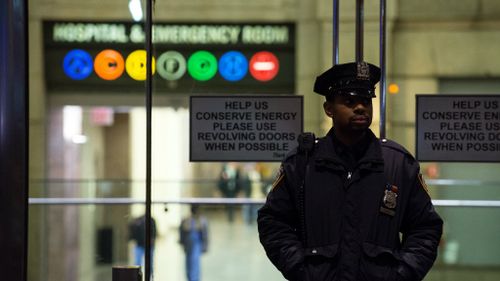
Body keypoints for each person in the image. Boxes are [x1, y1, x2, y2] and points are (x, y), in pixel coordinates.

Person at [257, 61, 443, 281]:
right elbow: (273, 223)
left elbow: (425, 228)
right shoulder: (302, 163)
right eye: (349, 101)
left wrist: (402, 274)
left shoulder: (397, 163)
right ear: (329, 109)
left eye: (365, 101)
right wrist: (300, 269)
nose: (360, 107)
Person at [179, 204, 209, 281]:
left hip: (196, 244)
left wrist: (205, 247)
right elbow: (182, 233)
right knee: (188, 263)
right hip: (188, 244)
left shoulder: (202, 220)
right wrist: (182, 243)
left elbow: (205, 235)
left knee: (195, 263)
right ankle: (190, 278)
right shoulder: (186, 220)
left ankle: (194, 279)